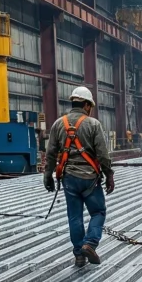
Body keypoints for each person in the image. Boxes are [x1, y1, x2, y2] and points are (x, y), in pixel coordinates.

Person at [44, 85, 115, 267]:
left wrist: (47, 175)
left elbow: (51, 153)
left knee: (74, 217)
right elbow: (103, 154)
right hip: (90, 179)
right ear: (86, 105)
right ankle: (89, 244)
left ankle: (79, 255)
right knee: (98, 212)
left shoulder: (58, 124)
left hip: (68, 179)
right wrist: (109, 175)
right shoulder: (93, 124)